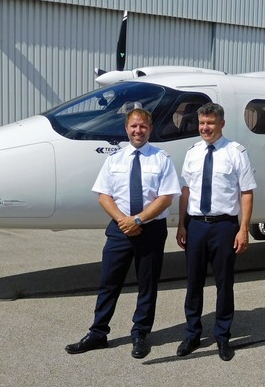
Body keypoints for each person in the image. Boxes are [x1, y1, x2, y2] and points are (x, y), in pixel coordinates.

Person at [66, 108, 180, 359]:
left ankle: (140, 333)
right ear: (126, 129)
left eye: (143, 127)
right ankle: (98, 333)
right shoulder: (114, 159)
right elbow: (103, 195)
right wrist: (124, 221)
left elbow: (166, 198)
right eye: (133, 126)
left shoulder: (162, 158)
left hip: (150, 229)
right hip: (120, 230)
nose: (138, 131)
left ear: (150, 129)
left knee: (147, 285)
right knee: (109, 282)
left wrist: (138, 219)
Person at [175, 102, 256, 361]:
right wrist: (181, 224)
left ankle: (222, 336)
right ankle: (192, 334)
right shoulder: (193, 152)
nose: (205, 128)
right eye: (201, 123)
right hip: (196, 225)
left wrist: (243, 229)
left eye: (210, 123)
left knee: (224, 284)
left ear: (221, 123)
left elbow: (246, 193)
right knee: (193, 283)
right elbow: (186, 190)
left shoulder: (236, 152)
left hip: (224, 226)